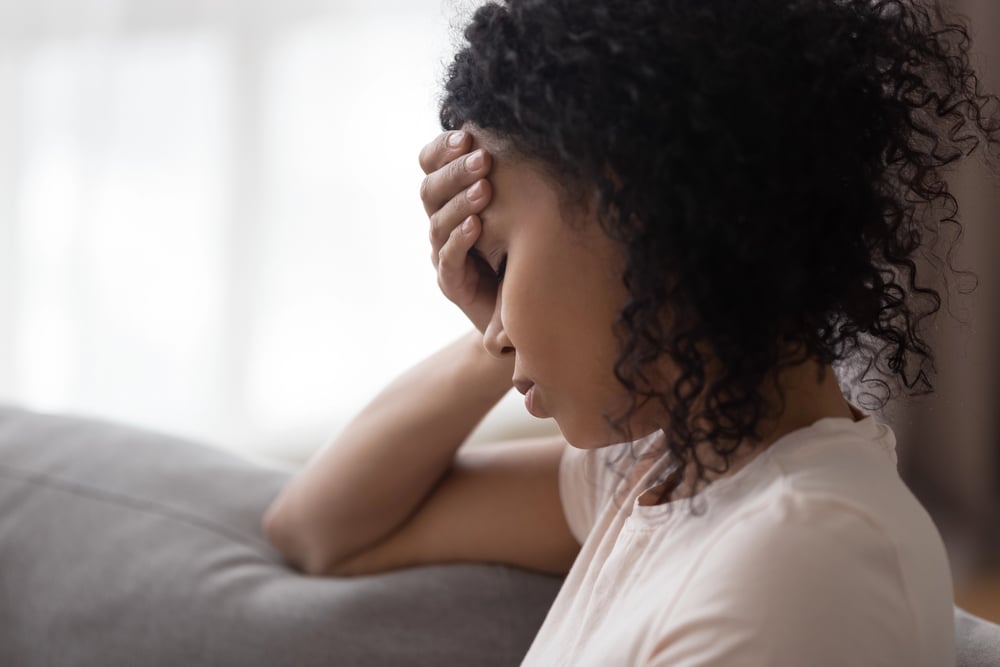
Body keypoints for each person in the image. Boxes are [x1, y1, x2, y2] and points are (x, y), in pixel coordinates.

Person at [263, 0, 999, 664]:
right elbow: (318, 528)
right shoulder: (669, 469)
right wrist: (496, 327)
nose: (496, 318)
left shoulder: (805, 558)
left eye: (501, 259)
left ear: (630, 202)